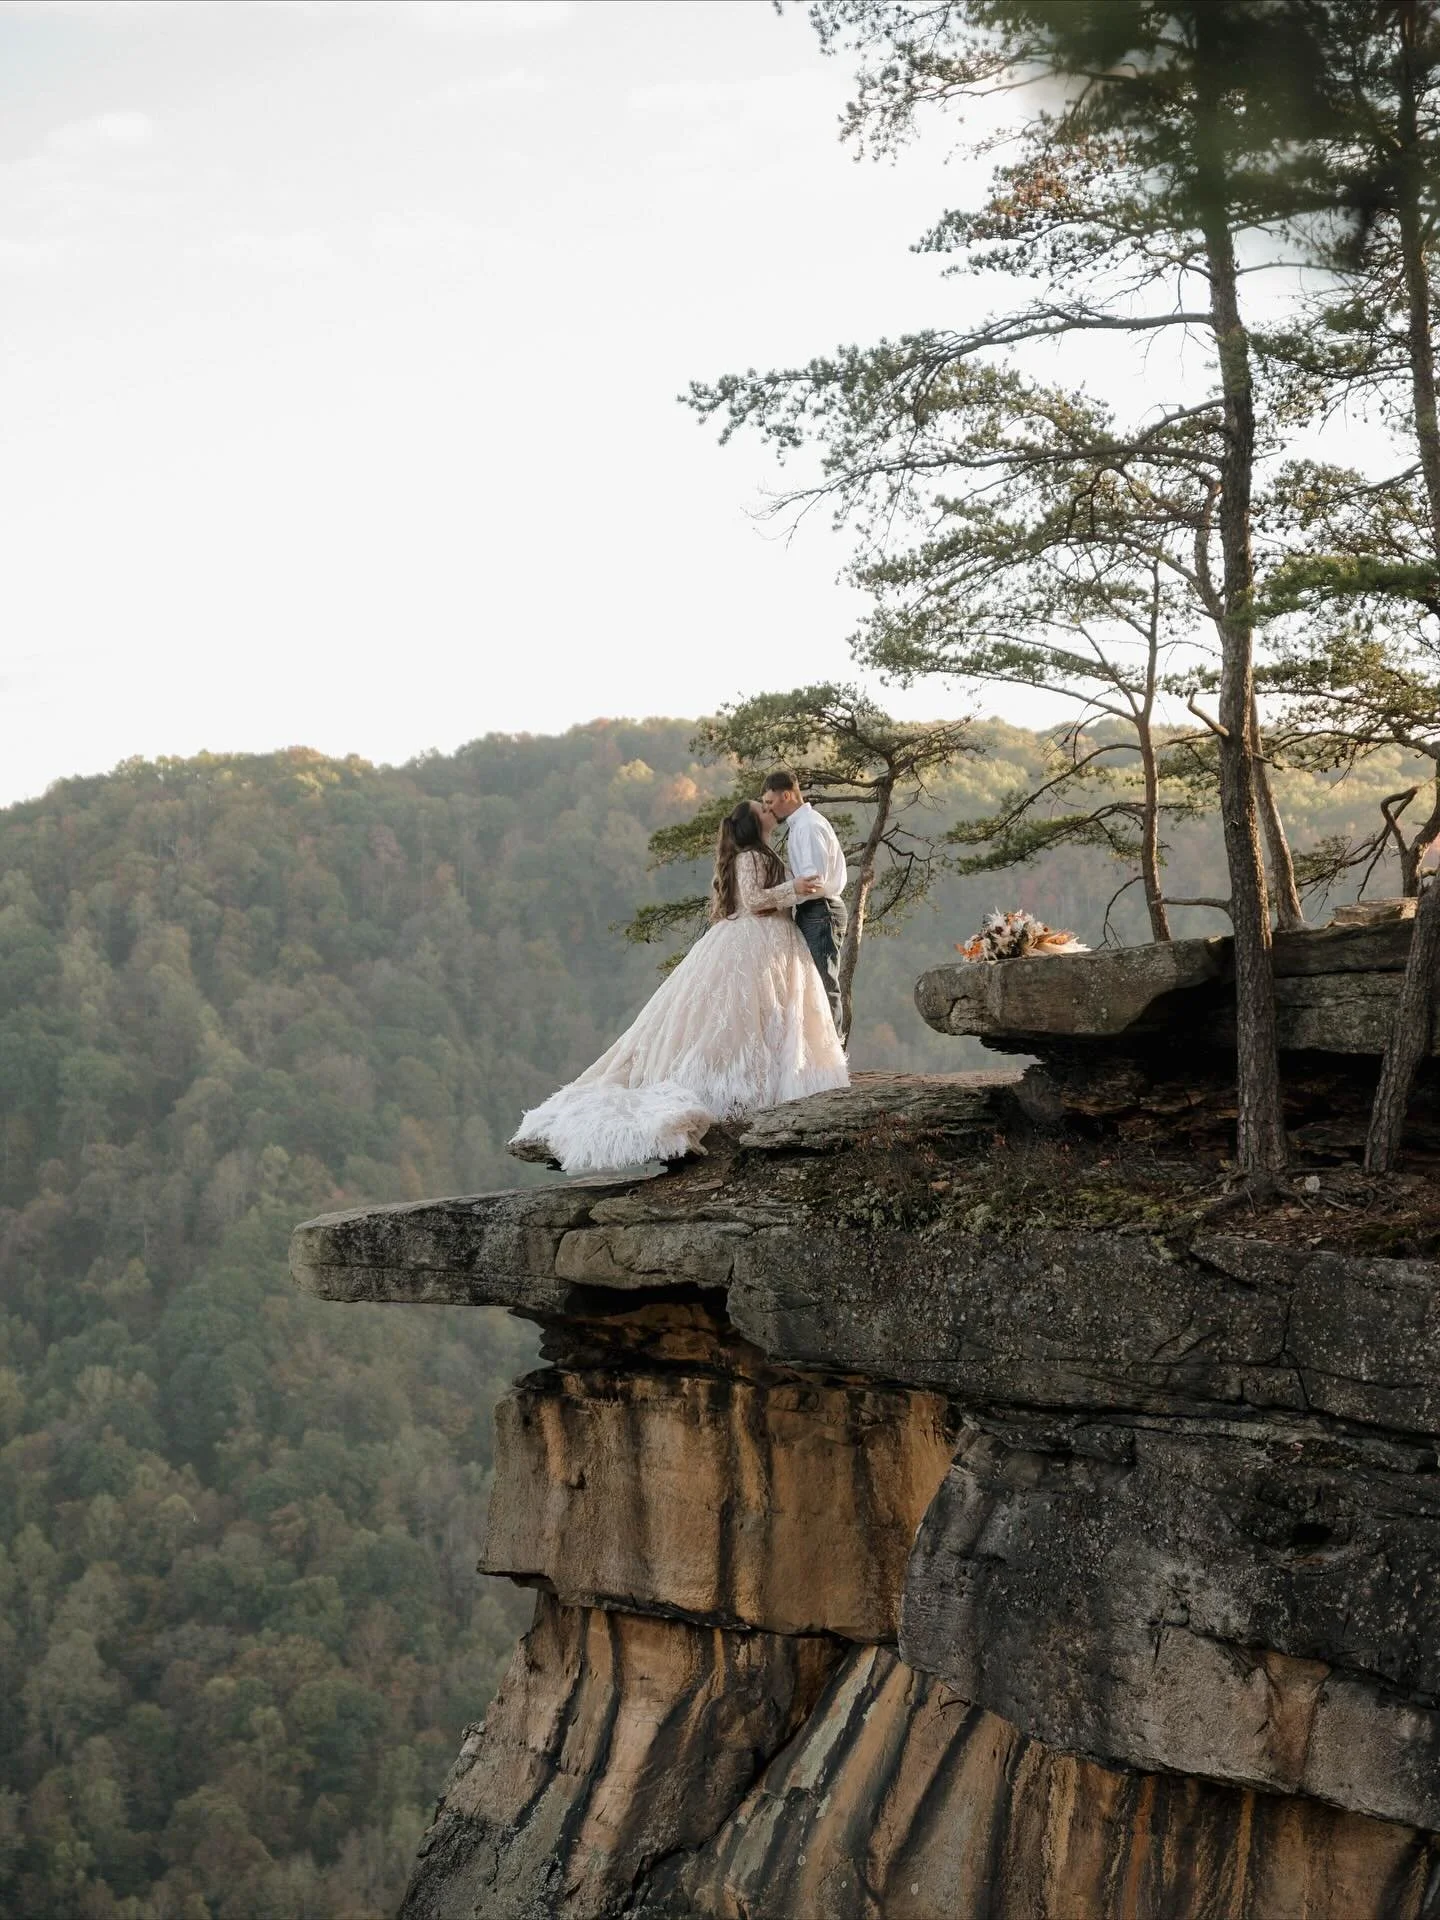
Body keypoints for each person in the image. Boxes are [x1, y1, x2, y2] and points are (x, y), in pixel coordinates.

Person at [510, 799, 850, 1175]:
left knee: (762, 1015)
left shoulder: (758, 853)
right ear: (755, 825)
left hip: (766, 938)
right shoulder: (752, 856)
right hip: (756, 939)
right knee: (740, 1017)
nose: (772, 813)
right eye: (764, 811)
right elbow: (754, 901)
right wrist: (794, 888)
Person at [760, 767, 848, 1035]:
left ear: (786, 795)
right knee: (813, 984)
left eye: (771, 802)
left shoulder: (808, 827)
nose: (769, 809)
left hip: (821, 911)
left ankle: (833, 1055)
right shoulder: (801, 825)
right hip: (815, 910)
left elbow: (812, 882)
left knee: (823, 984)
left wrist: (775, 897)